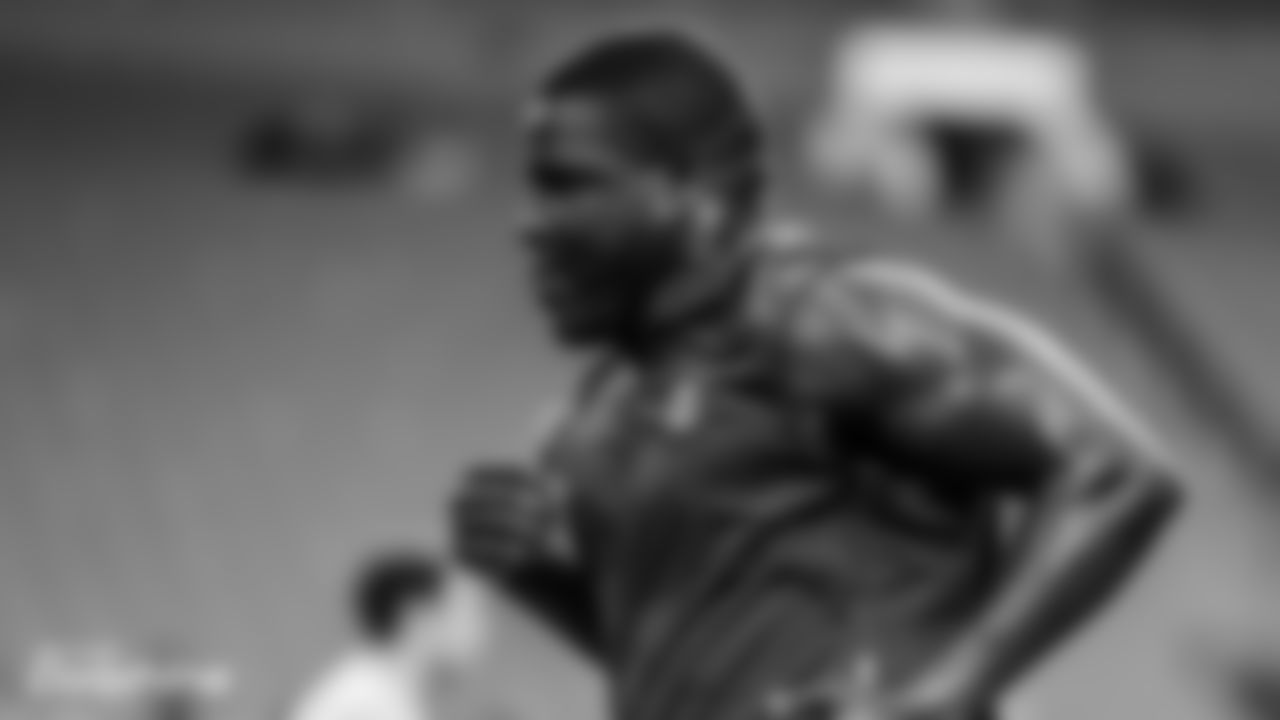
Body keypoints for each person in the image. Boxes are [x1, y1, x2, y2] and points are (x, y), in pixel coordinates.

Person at [449, 30, 1182, 720]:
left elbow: (1116, 472)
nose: (528, 223)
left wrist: (942, 695)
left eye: (568, 184)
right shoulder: (594, 417)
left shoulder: (824, 319)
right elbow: (682, 671)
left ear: (696, 193)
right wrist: (544, 578)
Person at [807, 0, 1127, 227]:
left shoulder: (1047, 61)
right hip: (905, 208)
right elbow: (830, 162)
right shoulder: (876, 53)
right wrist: (867, 128)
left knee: (1036, 182)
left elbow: (1100, 181)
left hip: (1018, 215)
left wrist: (1058, 136)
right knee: (902, 164)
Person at [291, 552, 489, 720]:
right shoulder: (364, 697)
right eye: (467, 615)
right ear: (417, 616)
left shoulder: (386, 688)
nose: (480, 632)